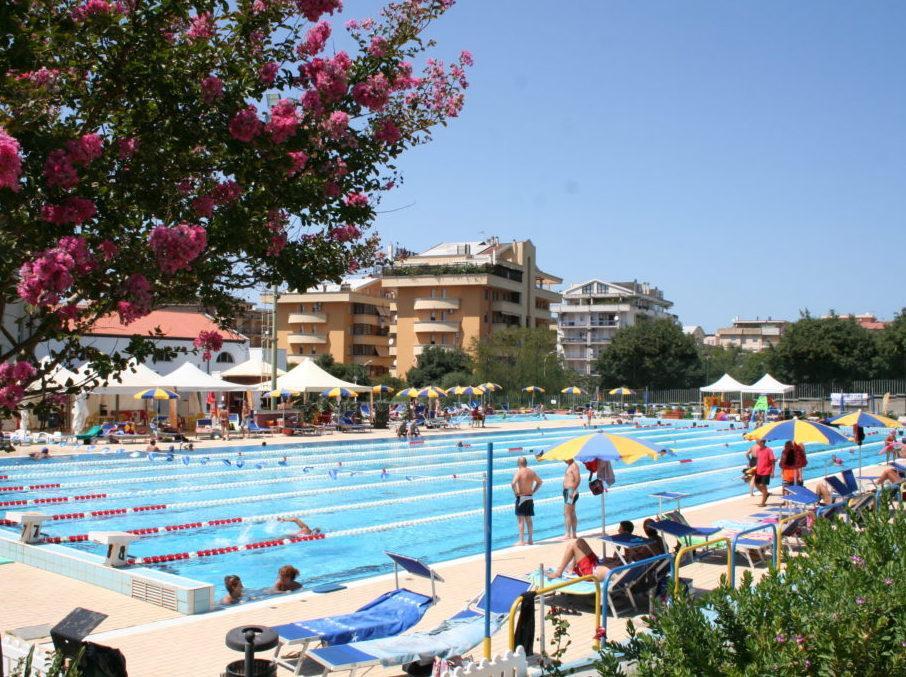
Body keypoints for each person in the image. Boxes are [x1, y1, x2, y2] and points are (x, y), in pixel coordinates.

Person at [548, 521, 635, 581]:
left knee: (573, 545)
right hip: (597, 564)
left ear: (625, 532)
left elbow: (615, 565)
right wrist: (618, 547)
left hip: (593, 571)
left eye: (620, 529)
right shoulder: (631, 553)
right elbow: (617, 559)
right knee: (579, 542)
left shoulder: (629, 553)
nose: (618, 530)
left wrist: (612, 560)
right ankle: (571, 568)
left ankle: (559, 572)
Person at [511, 457, 543, 546]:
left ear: (518, 464)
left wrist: (515, 492)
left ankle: (521, 541)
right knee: (529, 519)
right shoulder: (531, 472)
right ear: (526, 463)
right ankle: (530, 539)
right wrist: (533, 491)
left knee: (521, 520)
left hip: (521, 497)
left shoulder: (519, 472)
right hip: (529, 497)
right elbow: (540, 482)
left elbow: (513, 483)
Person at [752, 438, 776, 507]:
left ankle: (763, 503)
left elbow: (773, 461)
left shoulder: (769, 450)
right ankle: (766, 494)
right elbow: (759, 460)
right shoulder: (758, 450)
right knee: (756, 484)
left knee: (763, 485)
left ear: (762, 442)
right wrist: (754, 468)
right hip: (758, 471)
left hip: (766, 471)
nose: (756, 441)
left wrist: (772, 472)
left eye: (758, 440)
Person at [562, 458, 580, 539]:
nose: (563, 460)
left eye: (564, 458)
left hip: (570, 491)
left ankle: (568, 534)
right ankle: (574, 534)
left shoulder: (574, 466)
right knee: (572, 512)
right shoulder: (570, 466)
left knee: (567, 513)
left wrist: (573, 492)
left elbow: (578, 480)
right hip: (568, 491)